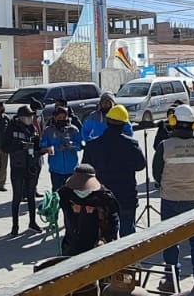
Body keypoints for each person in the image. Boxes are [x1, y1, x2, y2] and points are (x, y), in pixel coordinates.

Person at [152, 104, 194, 294]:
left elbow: (156, 173)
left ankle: (171, 281)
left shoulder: (165, 146)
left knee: (170, 241)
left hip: (170, 199)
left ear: (173, 121)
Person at [83, 104, 146, 237]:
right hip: (126, 196)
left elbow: (85, 170)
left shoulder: (93, 145)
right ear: (124, 124)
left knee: (107, 235)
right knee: (128, 235)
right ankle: (129, 258)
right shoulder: (131, 144)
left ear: (107, 121)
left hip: (103, 197)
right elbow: (140, 165)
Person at [59, 164, 120, 256]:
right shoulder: (66, 192)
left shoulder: (104, 197)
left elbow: (113, 221)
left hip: (95, 245)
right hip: (71, 242)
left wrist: (105, 239)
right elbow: (51, 204)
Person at [3, 105, 43, 235]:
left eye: (31, 116)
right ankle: (15, 226)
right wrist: (20, 146)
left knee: (31, 196)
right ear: (20, 117)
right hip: (18, 167)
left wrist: (44, 151)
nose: (30, 118)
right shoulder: (11, 128)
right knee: (17, 197)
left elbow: (36, 148)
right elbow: (4, 147)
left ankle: (32, 222)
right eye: (28, 116)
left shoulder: (33, 129)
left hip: (31, 166)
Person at [42, 106, 83, 192]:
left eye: (64, 117)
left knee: (72, 194)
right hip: (56, 169)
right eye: (59, 117)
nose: (62, 119)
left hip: (71, 168)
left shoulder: (73, 129)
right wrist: (55, 148)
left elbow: (80, 146)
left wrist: (73, 145)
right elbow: (43, 146)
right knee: (57, 193)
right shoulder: (48, 130)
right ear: (54, 117)